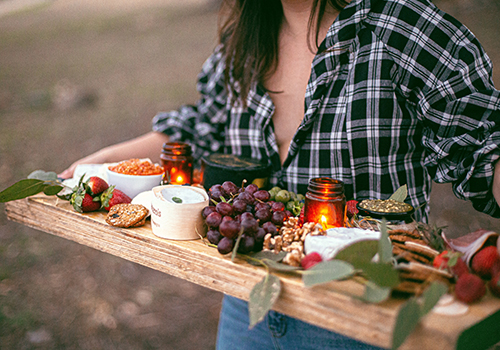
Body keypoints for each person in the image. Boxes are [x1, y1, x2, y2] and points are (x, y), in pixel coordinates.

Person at [60, 0, 500, 348]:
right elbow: (199, 126)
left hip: (365, 316)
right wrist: (97, 163)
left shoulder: (406, 29)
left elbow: (482, 144)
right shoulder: (243, 38)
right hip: (247, 305)